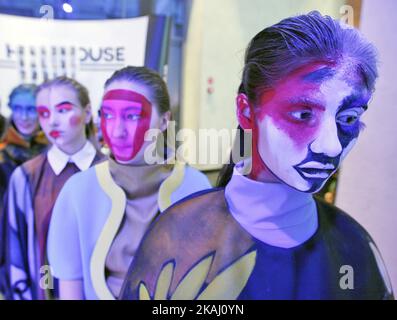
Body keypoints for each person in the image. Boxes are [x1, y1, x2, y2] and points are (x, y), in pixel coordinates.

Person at [119, 12, 394, 300]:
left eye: (348, 119)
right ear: (246, 111)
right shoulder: (178, 235)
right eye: (302, 115)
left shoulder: (354, 246)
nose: (332, 146)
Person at [47, 66, 211, 300]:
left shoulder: (196, 188)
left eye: (132, 115)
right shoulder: (78, 191)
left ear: (164, 120)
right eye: (108, 115)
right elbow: (70, 290)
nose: (117, 131)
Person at [1, 76, 105, 300]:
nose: (53, 122)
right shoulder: (25, 178)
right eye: (45, 113)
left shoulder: (113, 173)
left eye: (64, 110)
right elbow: (14, 256)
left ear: (87, 113)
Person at [0, 85, 48, 211]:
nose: (24, 117)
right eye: (17, 109)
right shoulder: (2, 154)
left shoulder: (56, 148)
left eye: (31, 109)